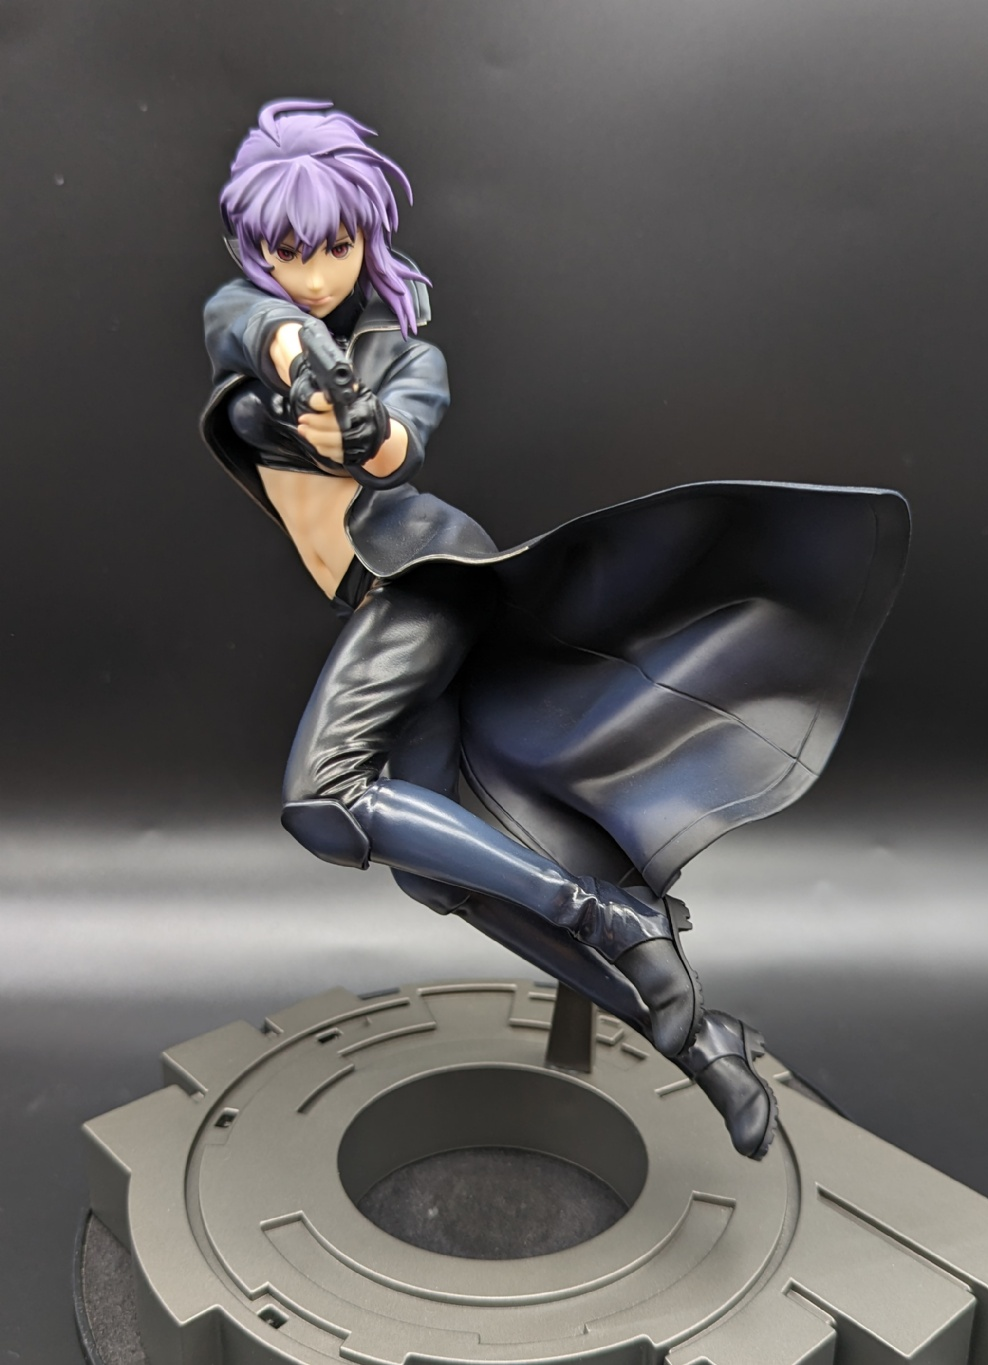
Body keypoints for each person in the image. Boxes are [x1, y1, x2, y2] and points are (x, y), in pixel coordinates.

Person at [201, 98, 910, 1162]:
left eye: (332, 247)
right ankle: (697, 1038)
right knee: (439, 872)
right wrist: (298, 353)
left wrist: (352, 419)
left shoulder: (405, 359)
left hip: (424, 584)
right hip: (378, 602)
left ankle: (595, 910)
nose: (309, 273)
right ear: (253, 249)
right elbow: (252, 323)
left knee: (324, 796)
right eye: (284, 251)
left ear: (366, 239)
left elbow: (392, 449)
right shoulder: (252, 318)